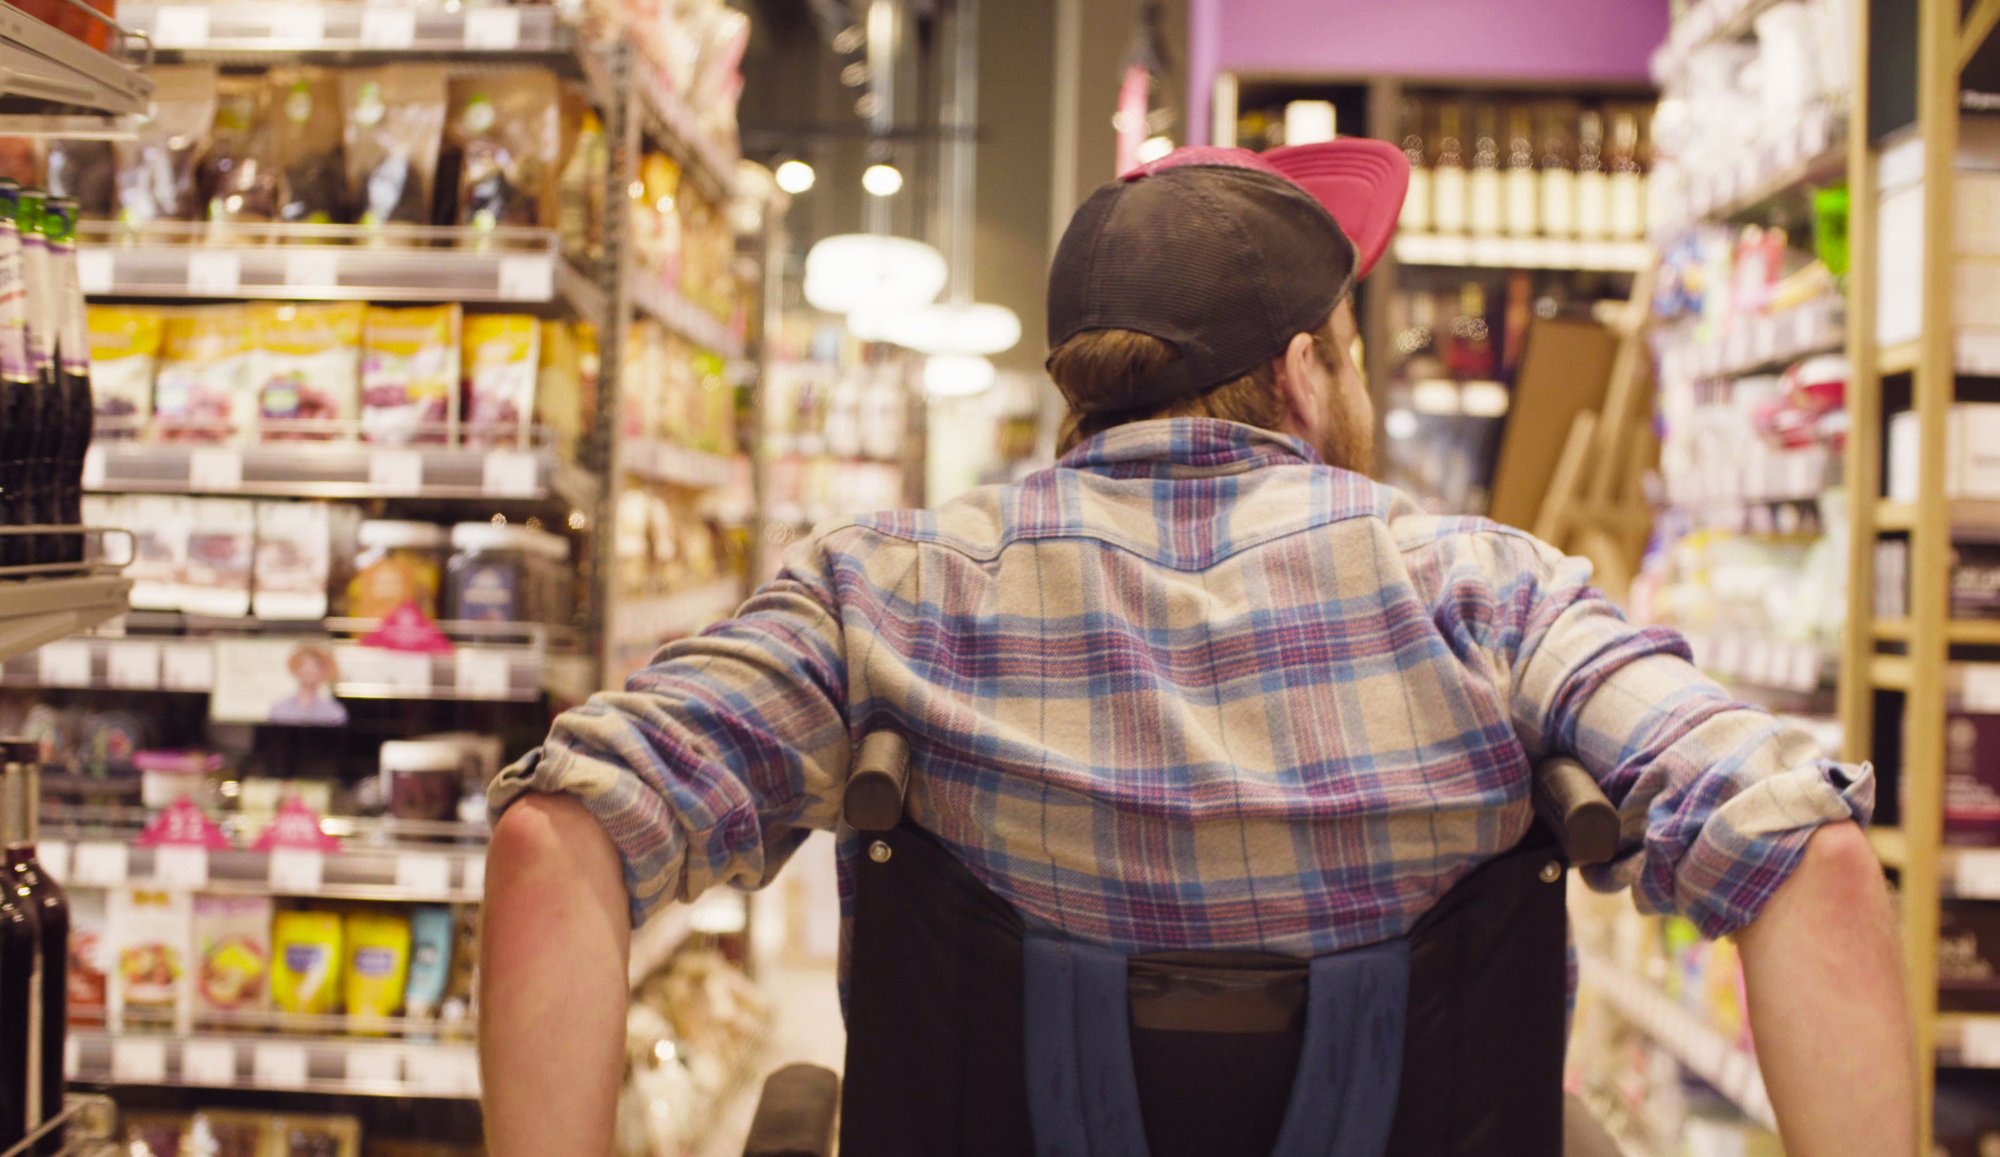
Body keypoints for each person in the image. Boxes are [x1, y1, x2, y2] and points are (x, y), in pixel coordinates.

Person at [480, 141, 1916, 1156]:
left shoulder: (887, 593)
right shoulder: (1492, 593)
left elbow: (558, 841)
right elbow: (1808, 854)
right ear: (1303, 372)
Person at [269, 642, 347, 727]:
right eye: (304, 665)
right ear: (297, 670)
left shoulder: (334, 712)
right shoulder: (280, 708)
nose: (309, 670)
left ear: (323, 672)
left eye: (316, 666)